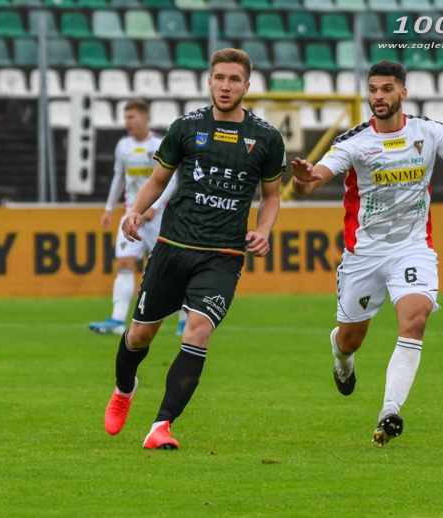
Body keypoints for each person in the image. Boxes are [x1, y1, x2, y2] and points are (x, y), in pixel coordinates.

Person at [290, 60, 443, 446]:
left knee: (415, 320)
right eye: (373, 89)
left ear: (402, 93)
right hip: (364, 255)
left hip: (413, 248)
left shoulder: (429, 132)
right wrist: (302, 180)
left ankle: (389, 411)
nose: (378, 96)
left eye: (386, 89)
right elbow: (309, 185)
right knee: (350, 339)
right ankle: (342, 360)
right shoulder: (354, 142)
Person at [103, 48, 287, 450]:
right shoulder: (186, 128)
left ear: (247, 85)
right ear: (209, 81)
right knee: (140, 335)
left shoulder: (267, 138)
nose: (226, 86)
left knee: (198, 331)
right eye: (220, 77)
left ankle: (161, 426)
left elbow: (271, 196)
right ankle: (124, 388)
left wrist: (264, 230)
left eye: (234, 79)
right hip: (173, 247)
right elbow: (157, 180)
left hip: (223, 256)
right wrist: (135, 211)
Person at [88, 99, 187, 336]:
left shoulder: (159, 144)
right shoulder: (123, 145)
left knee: (173, 270)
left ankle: (185, 321)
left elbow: (172, 179)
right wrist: (109, 208)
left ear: (145, 117)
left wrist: (156, 206)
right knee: (123, 263)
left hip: (157, 218)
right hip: (131, 216)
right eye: (126, 118)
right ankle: (117, 319)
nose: (128, 122)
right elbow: (119, 177)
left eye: (132, 117)